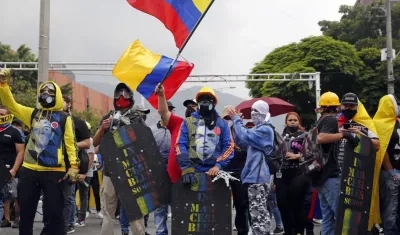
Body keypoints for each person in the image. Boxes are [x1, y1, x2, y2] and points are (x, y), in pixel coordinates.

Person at [0, 68, 79, 235]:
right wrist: (3, 84)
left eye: (50, 91)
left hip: (54, 173)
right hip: (29, 171)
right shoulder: (33, 114)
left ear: (56, 94)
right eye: (43, 91)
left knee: (53, 217)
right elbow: (11, 105)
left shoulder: (65, 118)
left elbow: (70, 144)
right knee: (26, 216)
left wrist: (73, 166)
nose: (46, 94)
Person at [93, 82, 147, 235]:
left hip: (131, 172)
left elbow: (144, 143)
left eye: (125, 95)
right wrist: (103, 128)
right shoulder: (108, 117)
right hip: (110, 172)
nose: (121, 98)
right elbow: (95, 142)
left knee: (135, 213)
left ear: (131, 98)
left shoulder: (137, 118)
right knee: (108, 213)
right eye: (118, 95)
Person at [312, 91, 357, 235]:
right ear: (336, 107)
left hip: (319, 176)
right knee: (340, 215)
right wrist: (345, 135)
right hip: (330, 176)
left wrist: (341, 132)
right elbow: (321, 138)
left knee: (327, 218)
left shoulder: (320, 120)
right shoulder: (331, 120)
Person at [227, 100, 274, 235]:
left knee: (258, 214)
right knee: (258, 213)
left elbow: (244, 135)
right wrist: (236, 124)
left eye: (256, 111)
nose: (253, 113)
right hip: (253, 177)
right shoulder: (257, 129)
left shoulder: (266, 130)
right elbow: (242, 141)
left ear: (264, 113)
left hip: (258, 177)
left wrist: (236, 120)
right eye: (252, 110)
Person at [175, 86, 234, 183]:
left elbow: (229, 146)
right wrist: (186, 167)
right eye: (202, 99)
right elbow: (180, 144)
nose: (205, 102)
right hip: (193, 172)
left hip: (216, 173)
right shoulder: (188, 122)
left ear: (214, 103)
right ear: (197, 103)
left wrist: (218, 166)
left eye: (208, 99)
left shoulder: (222, 123)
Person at [275, 112, 311, 234]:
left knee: (297, 204)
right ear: (286, 122)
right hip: (282, 173)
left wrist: (297, 156)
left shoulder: (305, 136)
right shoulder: (280, 137)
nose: (292, 122)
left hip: (299, 172)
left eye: (295, 120)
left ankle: (299, 231)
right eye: (290, 120)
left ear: (299, 121)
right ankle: (288, 231)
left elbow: (313, 154)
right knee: (282, 203)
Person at [221, 105, 250, 235]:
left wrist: (238, 147)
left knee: (241, 204)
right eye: (226, 117)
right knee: (221, 204)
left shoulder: (240, 129)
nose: (229, 120)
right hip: (223, 170)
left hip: (239, 170)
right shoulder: (218, 129)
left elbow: (247, 146)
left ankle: (242, 231)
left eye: (230, 117)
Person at [374, 94, 400, 235]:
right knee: (391, 208)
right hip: (389, 173)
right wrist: (391, 171)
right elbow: (382, 150)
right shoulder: (379, 124)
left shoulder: (397, 122)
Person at [0, 109, 25, 229]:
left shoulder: (15, 132)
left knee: (15, 195)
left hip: (12, 168)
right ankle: (7, 219)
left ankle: (17, 219)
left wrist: (14, 169)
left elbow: (21, 152)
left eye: (2, 114)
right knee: (5, 196)